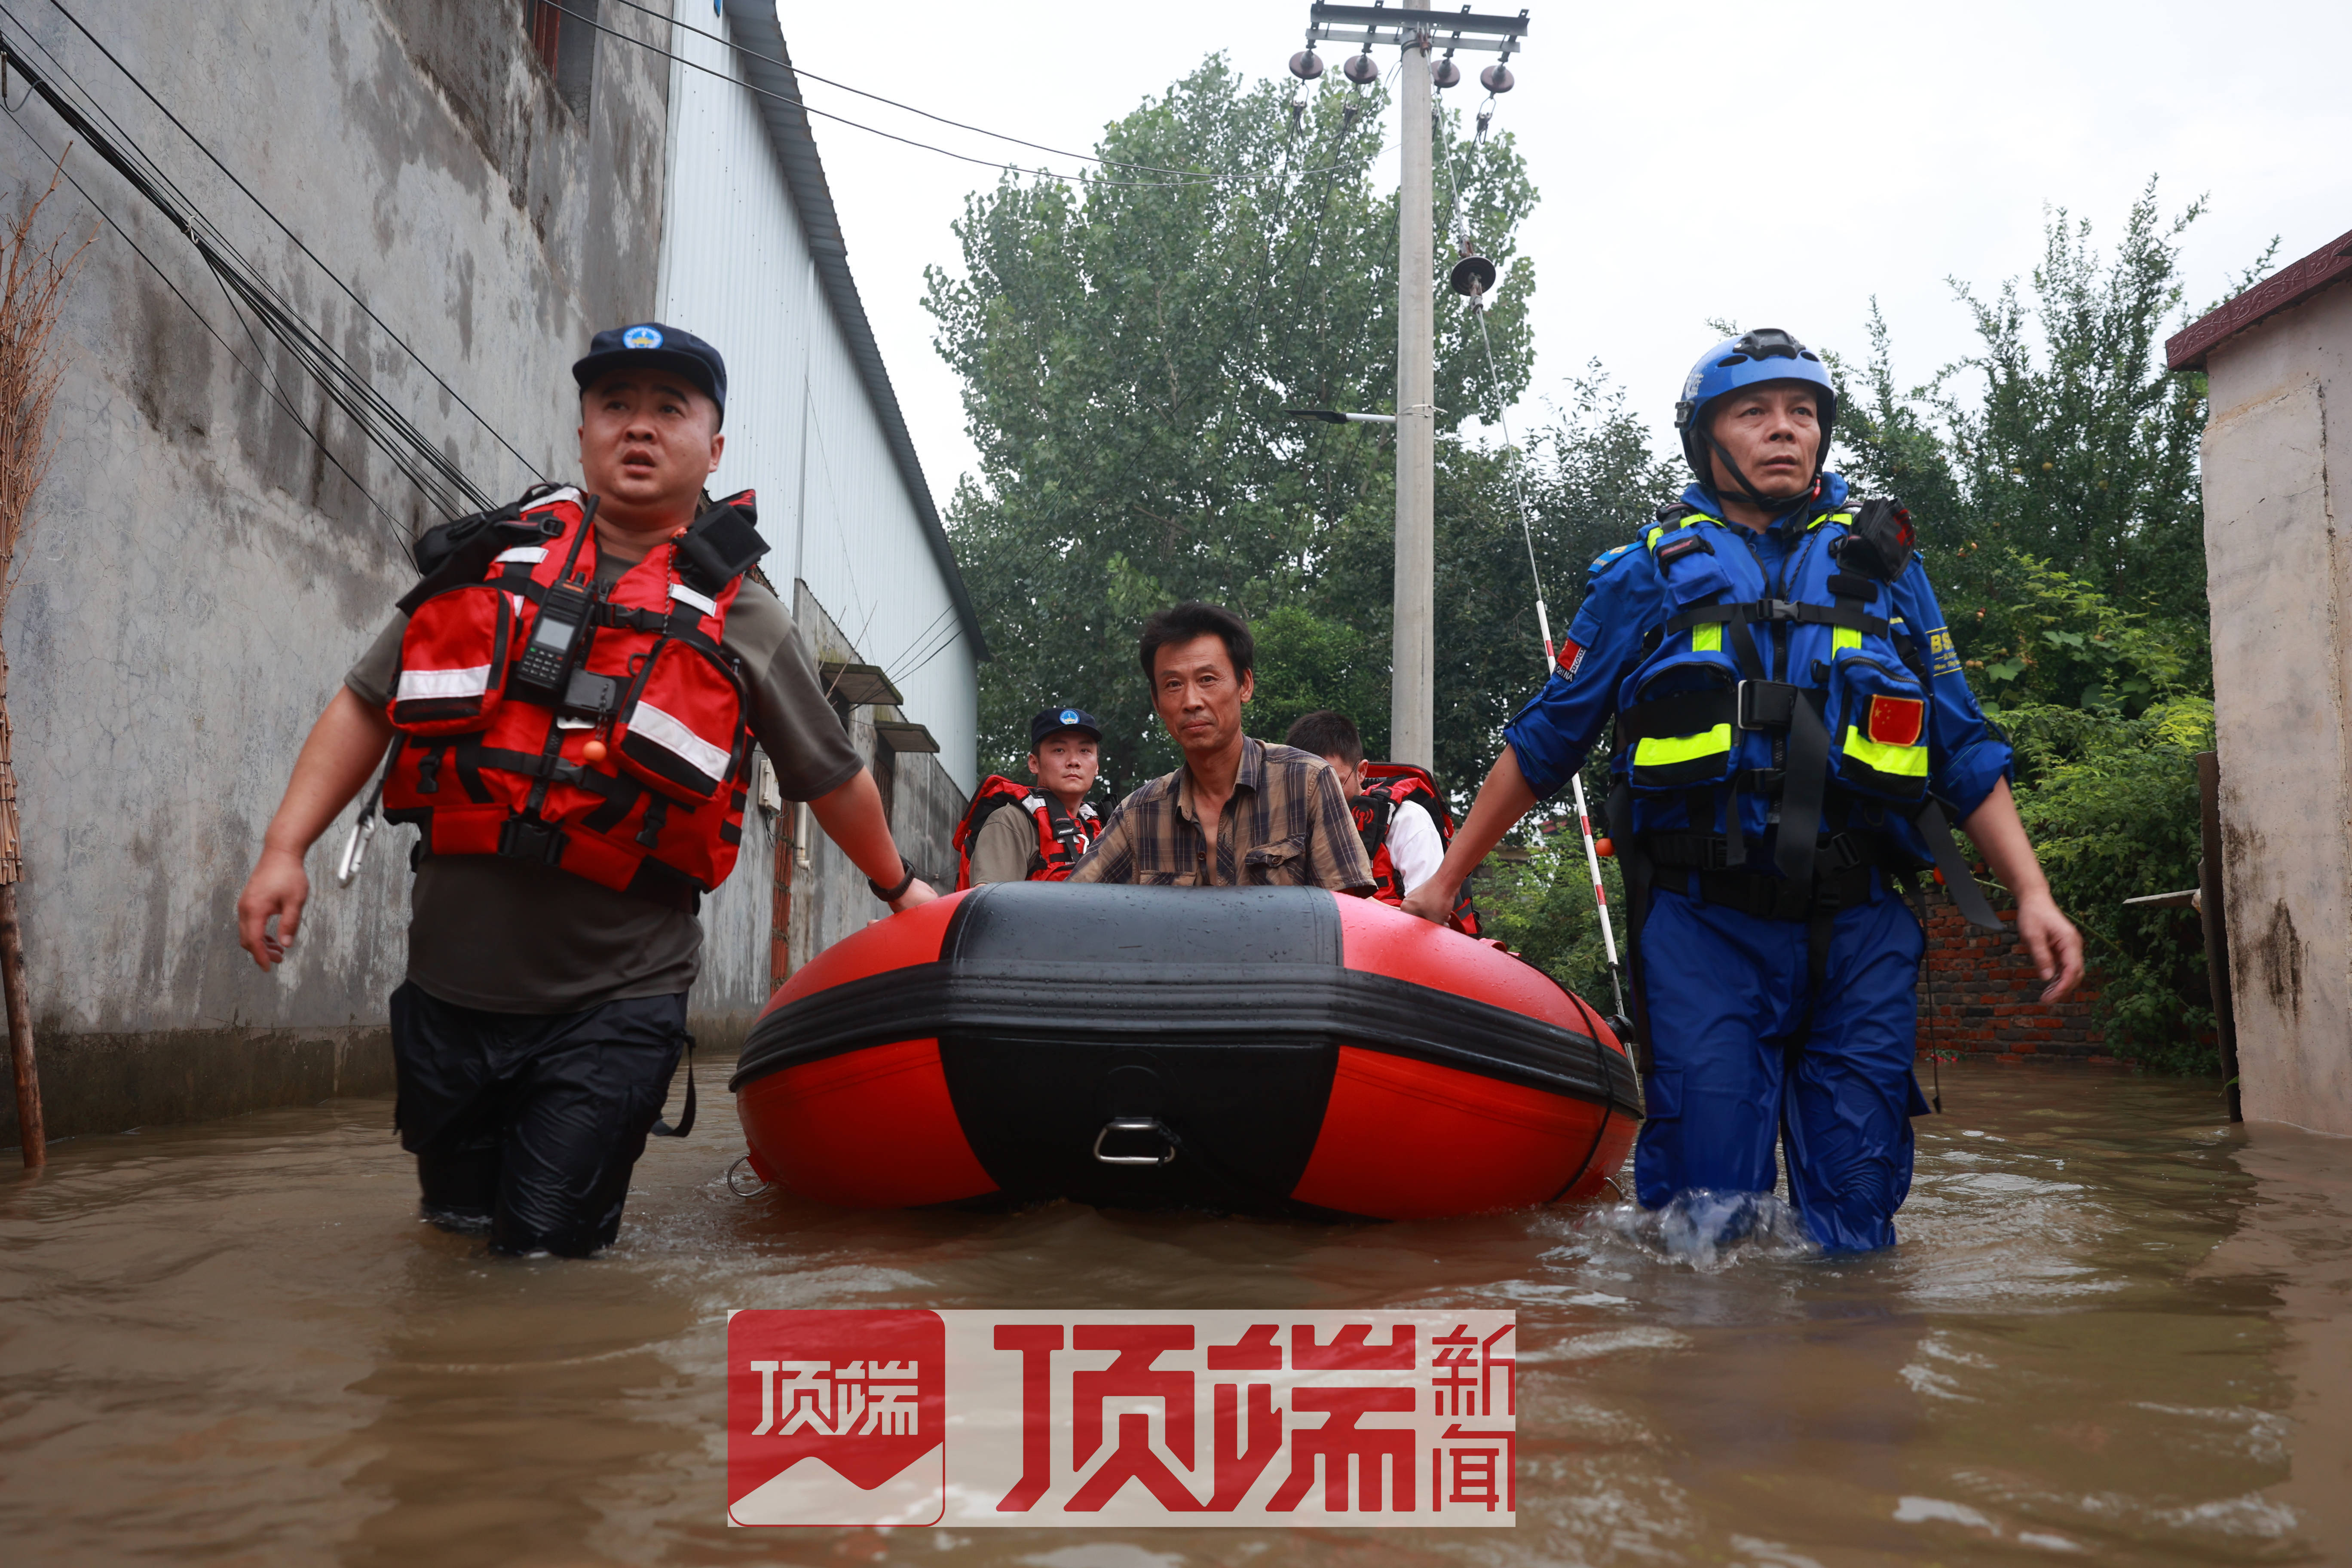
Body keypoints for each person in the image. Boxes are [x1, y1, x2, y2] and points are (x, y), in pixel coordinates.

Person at [234, 322, 939, 1258]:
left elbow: (834, 778)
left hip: (612, 1006)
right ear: (582, 434)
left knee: (541, 1264)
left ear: (713, 447)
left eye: (667, 409)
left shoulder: (747, 616)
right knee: (452, 1242)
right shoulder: (491, 561)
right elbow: (368, 704)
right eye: (615, 407)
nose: (637, 429)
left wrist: (902, 892)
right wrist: (286, 849)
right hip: (449, 997)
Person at [1400, 328, 2084, 1254]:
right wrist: (1445, 883)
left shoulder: (1887, 574)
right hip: (1704, 923)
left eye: (1802, 413)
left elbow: (1960, 743)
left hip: (1861, 924)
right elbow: (1547, 738)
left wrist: (2033, 892)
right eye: (1754, 412)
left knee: (1858, 1210)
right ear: (1707, 438)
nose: (1784, 431)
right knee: (1705, 1220)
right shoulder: (1645, 573)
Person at [1069, 603, 1374, 892]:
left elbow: (1348, 917)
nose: (1191, 701)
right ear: (1157, 702)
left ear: (1245, 685)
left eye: (1207, 679)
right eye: (1173, 685)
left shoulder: (1307, 783)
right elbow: (1069, 909)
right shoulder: (1139, 816)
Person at [1283, 709, 1478, 931]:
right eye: (1306, 785)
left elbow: (1431, 926)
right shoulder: (1282, 823)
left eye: (1333, 783)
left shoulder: (1408, 821)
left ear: (1361, 772)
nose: (1320, 796)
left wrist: (1358, 904)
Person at [955, 705, 1106, 887]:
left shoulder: (1107, 829)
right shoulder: (1011, 822)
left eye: (1085, 751)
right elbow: (992, 908)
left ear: (1097, 765)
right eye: (1059, 750)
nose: (1074, 761)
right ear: (1034, 763)